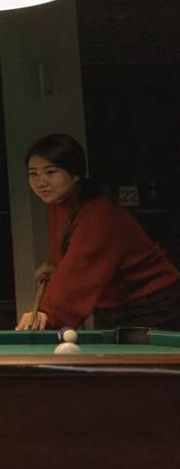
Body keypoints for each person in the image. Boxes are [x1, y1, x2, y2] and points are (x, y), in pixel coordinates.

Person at [18, 133, 180, 331]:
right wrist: (58, 270)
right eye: (33, 173)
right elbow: (77, 259)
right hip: (111, 306)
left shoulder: (98, 212)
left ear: (76, 174)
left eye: (50, 172)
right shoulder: (58, 203)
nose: (40, 182)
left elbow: (80, 269)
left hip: (152, 303)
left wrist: (47, 314)